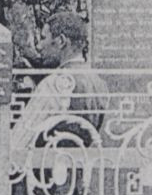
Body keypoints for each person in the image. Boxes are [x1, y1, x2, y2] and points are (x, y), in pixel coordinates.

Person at [10, 11, 111, 157]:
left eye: (44, 38)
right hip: (81, 173)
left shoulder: (55, 84)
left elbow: (18, 142)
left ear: (61, 41)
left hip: (45, 174)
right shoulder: (100, 85)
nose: (39, 46)